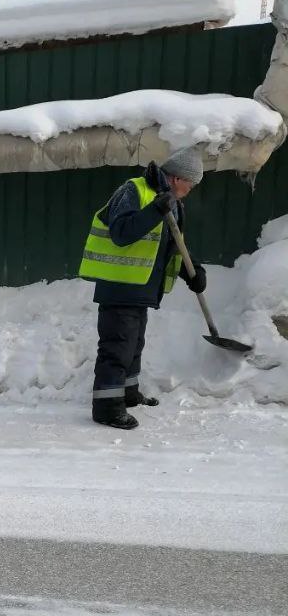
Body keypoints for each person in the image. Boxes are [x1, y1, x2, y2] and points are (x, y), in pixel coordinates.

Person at [79, 147, 207, 431]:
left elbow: (173, 245)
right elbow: (121, 233)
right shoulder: (133, 190)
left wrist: (194, 271)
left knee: (133, 345)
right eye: (191, 182)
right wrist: (155, 210)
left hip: (141, 289)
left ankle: (126, 393)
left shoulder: (173, 203)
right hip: (120, 285)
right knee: (118, 347)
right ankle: (107, 408)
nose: (193, 188)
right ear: (176, 178)